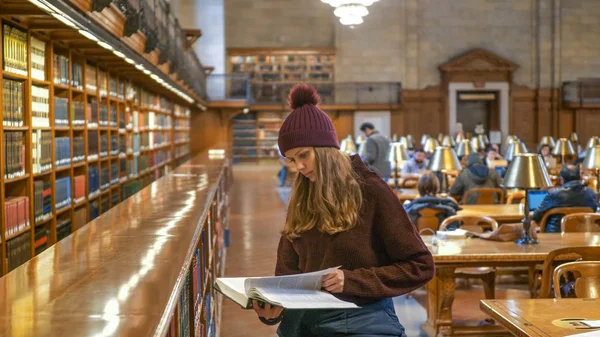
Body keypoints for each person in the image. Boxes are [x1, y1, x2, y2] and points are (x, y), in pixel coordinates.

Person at [252, 84, 434, 337]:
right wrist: (273, 311)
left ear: (327, 149)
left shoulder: (370, 190)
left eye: (304, 155)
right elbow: (287, 273)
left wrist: (353, 281)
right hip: (304, 324)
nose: (299, 167)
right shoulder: (302, 198)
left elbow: (420, 265)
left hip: (362, 320)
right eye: (291, 160)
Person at [532, 165, 599, 233]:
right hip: (583, 236)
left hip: (555, 237)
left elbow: (536, 216)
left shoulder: (554, 194)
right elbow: (594, 212)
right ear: (580, 178)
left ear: (562, 179)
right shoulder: (590, 193)